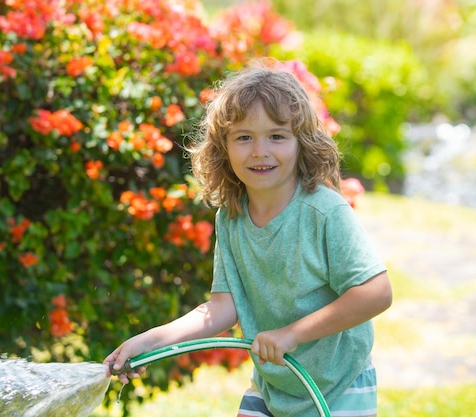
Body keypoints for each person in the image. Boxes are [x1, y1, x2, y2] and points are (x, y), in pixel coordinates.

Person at [104, 62, 393, 417]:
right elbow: (221, 309)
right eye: (244, 137)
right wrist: (149, 341)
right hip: (276, 383)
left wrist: (292, 334)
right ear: (222, 146)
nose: (260, 150)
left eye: (277, 136)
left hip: (337, 385)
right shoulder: (232, 216)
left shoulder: (323, 212)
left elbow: (376, 292)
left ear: (301, 143)